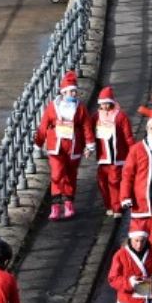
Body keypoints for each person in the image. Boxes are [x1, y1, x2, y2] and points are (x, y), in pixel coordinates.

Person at [34, 70, 90, 220]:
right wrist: (38, 142)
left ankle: (69, 203)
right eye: (70, 91)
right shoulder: (53, 107)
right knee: (57, 174)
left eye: (74, 91)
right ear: (63, 92)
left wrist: (89, 145)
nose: (73, 94)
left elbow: (86, 126)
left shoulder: (80, 108)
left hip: (73, 146)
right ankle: (55, 206)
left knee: (71, 175)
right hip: (56, 146)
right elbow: (44, 125)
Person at [90, 87, 136, 218]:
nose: (104, 106)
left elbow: (128, 137)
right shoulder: (96, 117)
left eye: (107, 103)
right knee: (102, 182)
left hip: (117, 157)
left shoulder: (120, 116)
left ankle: (117, 208)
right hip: (102, 157)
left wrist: (134, 153)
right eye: (102, 103)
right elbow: (89, 133)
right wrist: (87, 147)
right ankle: (109, 205)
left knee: (114, 182)